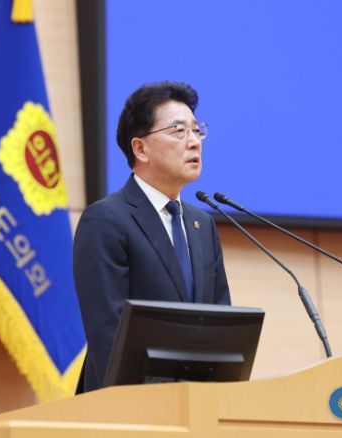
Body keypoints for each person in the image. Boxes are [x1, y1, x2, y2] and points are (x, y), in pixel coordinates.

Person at [73, 81, 231, 393]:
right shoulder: (107, 219)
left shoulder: (202, 225)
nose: (194, 142)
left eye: (196, 130)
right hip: (126, 405)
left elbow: (223, 328)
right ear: (140, 148)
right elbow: (108, 336)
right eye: (178, 131)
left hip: (197, 406)